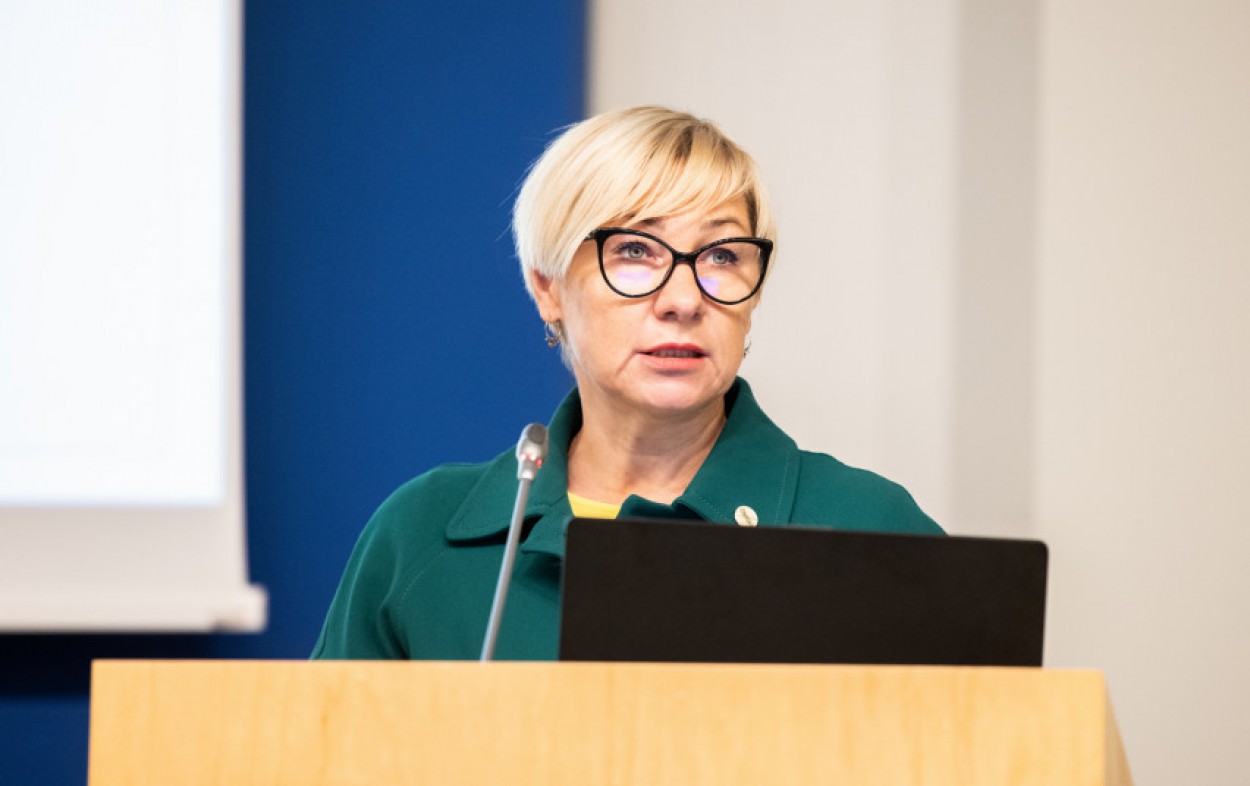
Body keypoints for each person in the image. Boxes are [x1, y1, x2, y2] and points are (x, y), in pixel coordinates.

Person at [312, 106, 942, 660]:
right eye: (636, 251)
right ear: (548, 287)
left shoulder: (871, 528)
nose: (683, 300)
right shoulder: (421, 534)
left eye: (722, 256)